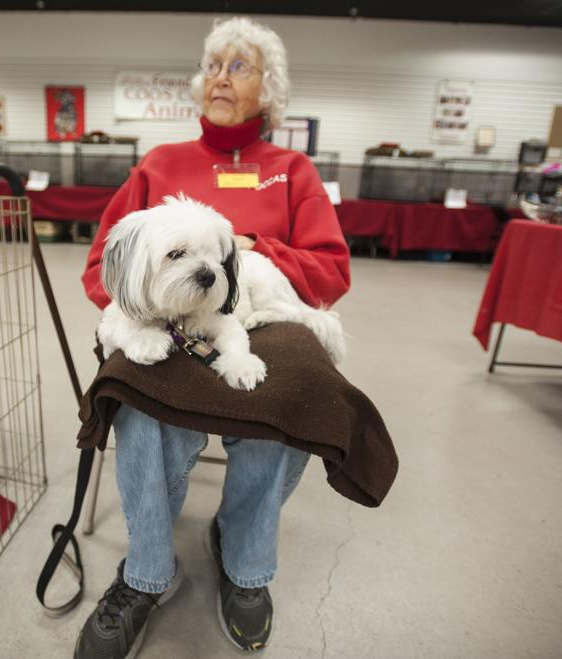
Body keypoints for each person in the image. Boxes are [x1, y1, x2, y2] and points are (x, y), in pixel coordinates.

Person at [75, 16, 350, 659]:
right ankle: (145, 572)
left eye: (240, 65)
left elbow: (331, 273)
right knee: (140, 392)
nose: (220, 76)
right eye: (213, 64)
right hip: (162, 316)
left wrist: (253, 250)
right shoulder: (160, 164)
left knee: (296, 386)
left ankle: (243, 557)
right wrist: (148, 313)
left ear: (269, 90)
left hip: (261, 308)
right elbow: (101, 269)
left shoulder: (292, 169)